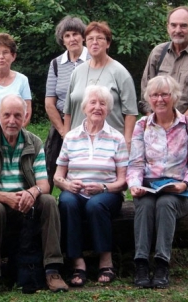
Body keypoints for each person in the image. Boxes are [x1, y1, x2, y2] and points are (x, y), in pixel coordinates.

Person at [0, 94, 69, 297]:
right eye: (7, 115)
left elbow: (44, 184)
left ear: (25, 117)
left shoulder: (34, 142)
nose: (12, 121)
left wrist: (32, 192)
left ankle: (52, 269)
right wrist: (7, 198)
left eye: (17, 115)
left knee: (48, 201)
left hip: (25, 202)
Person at [126, 75, 188, 289]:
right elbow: (135, 164)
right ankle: (141, 262)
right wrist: (134, 184)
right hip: (150, 187)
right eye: (154, 95)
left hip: (180, 191)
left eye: (164, 94)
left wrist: (185, 184)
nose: (159, 99)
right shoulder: (142, 125)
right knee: (145, 204)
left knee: (165, 203)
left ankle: (162, 263)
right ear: (148, 99)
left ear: (174, 97)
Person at [139, 6, 188, 201]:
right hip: (158, 110)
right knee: (142, 127)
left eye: (183, 26)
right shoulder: (158, 53)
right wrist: (152, 114)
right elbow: (145, 87)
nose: (178, 30)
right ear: (167, 27)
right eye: (174, 25)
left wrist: (181, 119)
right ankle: (147, 181)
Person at [53, 85, 128, 286]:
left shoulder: (116, 137)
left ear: (108, 109)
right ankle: (77, 263)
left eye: (102, 103)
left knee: (96, 205)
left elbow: (123, 181)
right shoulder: (71, 137)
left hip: (108, 194)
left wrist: (104, 188)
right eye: (93, 103)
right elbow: (57, 177)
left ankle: (106, 260)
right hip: (76, 192)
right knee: (67, 202)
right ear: (84, 107)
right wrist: (67, 185)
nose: (97, 107)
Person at [63, 21, 137, 147]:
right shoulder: (77, 72)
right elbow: (68, 112)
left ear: (108, 43)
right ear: (85, 42)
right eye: (90, 39)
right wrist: (66, 139)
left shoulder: (120, 72)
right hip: (78, 145)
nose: (94, 42)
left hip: (110, 145)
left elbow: (131, 113)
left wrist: (127, 143)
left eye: (100, 38)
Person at [44, 16, 90, 193]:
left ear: (83, 36)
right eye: (67, 35)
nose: (72, 39)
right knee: (50, 167)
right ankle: (46, 209)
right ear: (62, 40)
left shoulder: (93, 59)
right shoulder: (56, 64)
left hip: (88, 123)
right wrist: (64, 131)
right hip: (61, 125)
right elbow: (49, 102)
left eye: (75, 34)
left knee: (83, 169)